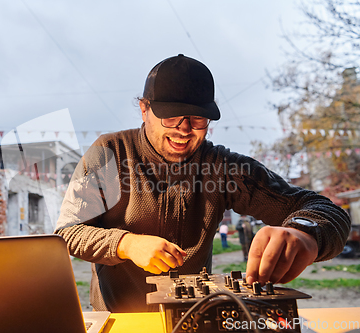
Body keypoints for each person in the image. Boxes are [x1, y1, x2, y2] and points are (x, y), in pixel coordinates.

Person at [55, 54, 351, 313]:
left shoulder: (223, 167)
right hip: (121, 318)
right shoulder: (109, 153)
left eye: (198, 119)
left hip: (194, 316)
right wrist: (126, 244)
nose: (185, 129)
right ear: (145, 109)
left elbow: (322, 209)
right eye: (171, 117)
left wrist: (305, 233)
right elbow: (68, 233)